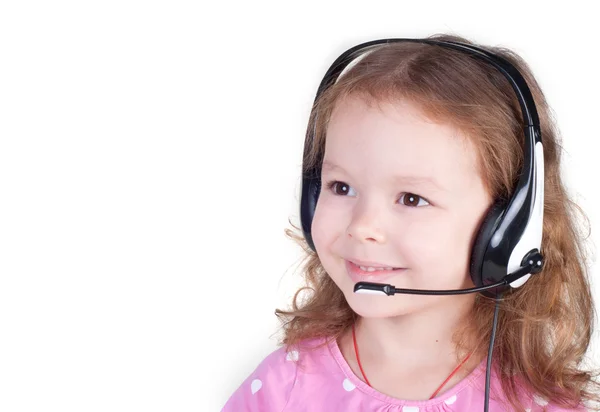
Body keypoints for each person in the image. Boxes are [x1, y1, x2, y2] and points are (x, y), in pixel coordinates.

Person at [222, 33, 600, 411]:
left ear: (508, 229)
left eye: (411, 199)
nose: (363, 226)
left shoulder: (536, 406)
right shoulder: (284, 387)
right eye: (341, 186)